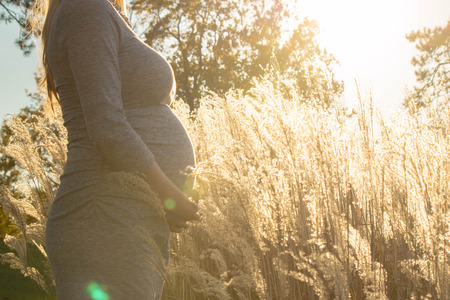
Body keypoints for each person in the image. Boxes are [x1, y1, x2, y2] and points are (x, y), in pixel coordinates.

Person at [40, 0, 200, 298]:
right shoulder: (84, 8)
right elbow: (105, 126)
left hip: (124, 211)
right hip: (105, 211)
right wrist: (167, 194)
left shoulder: (100, 10)